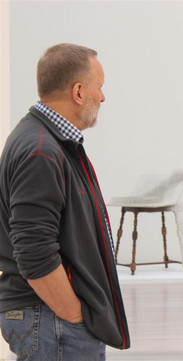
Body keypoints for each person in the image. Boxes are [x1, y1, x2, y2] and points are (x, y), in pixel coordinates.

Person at [0, 43, 130, 360]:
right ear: (78, 92)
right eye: (99, 87)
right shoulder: (41, 151)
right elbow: (34, 251)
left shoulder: (45, 141)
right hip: (52, 320)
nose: (102, 97)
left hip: (49, 319)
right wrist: (73, 315)